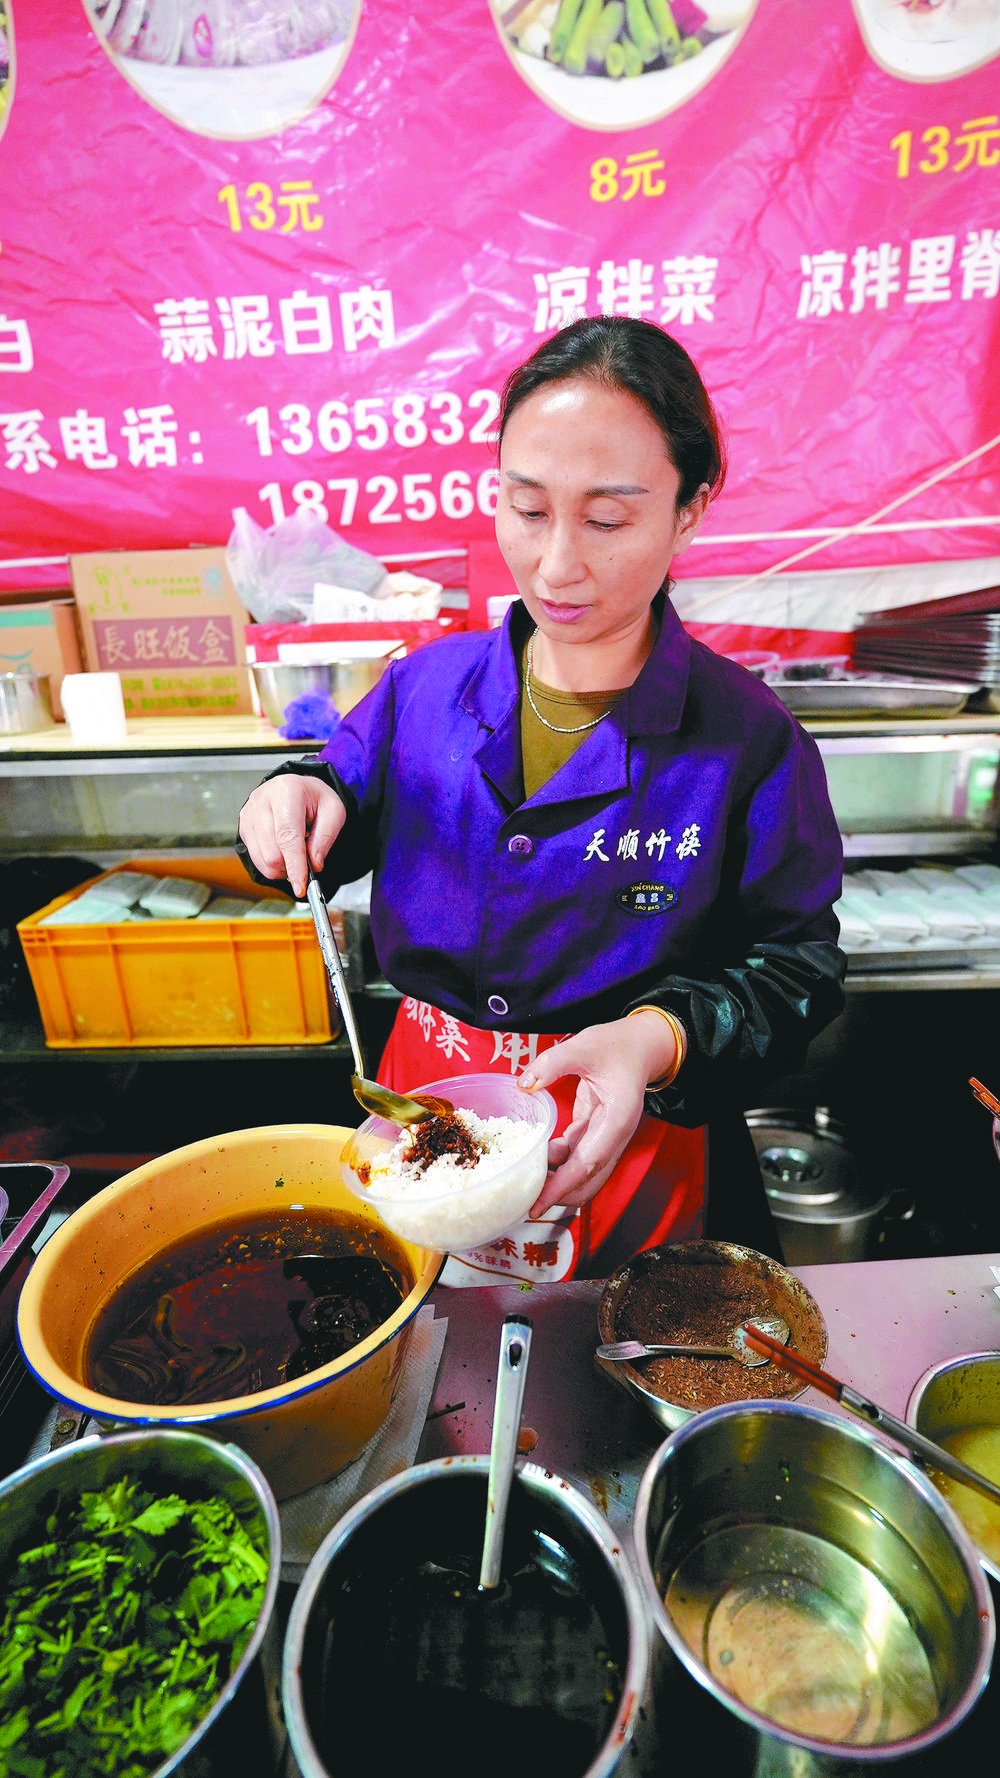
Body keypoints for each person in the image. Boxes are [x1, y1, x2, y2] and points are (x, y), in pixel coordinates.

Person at [237, 316, 846, 1285]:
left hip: (627, 1133)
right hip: (423, 1106)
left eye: (607, 520)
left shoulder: (749, 738)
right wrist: (293, 797)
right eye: (526, 508)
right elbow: (330, 808)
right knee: (427, 1343)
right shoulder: (420, 690)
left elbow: (793, 966)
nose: (557, 564)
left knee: (614, 1353)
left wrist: (655, 1038)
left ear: (688, 509)